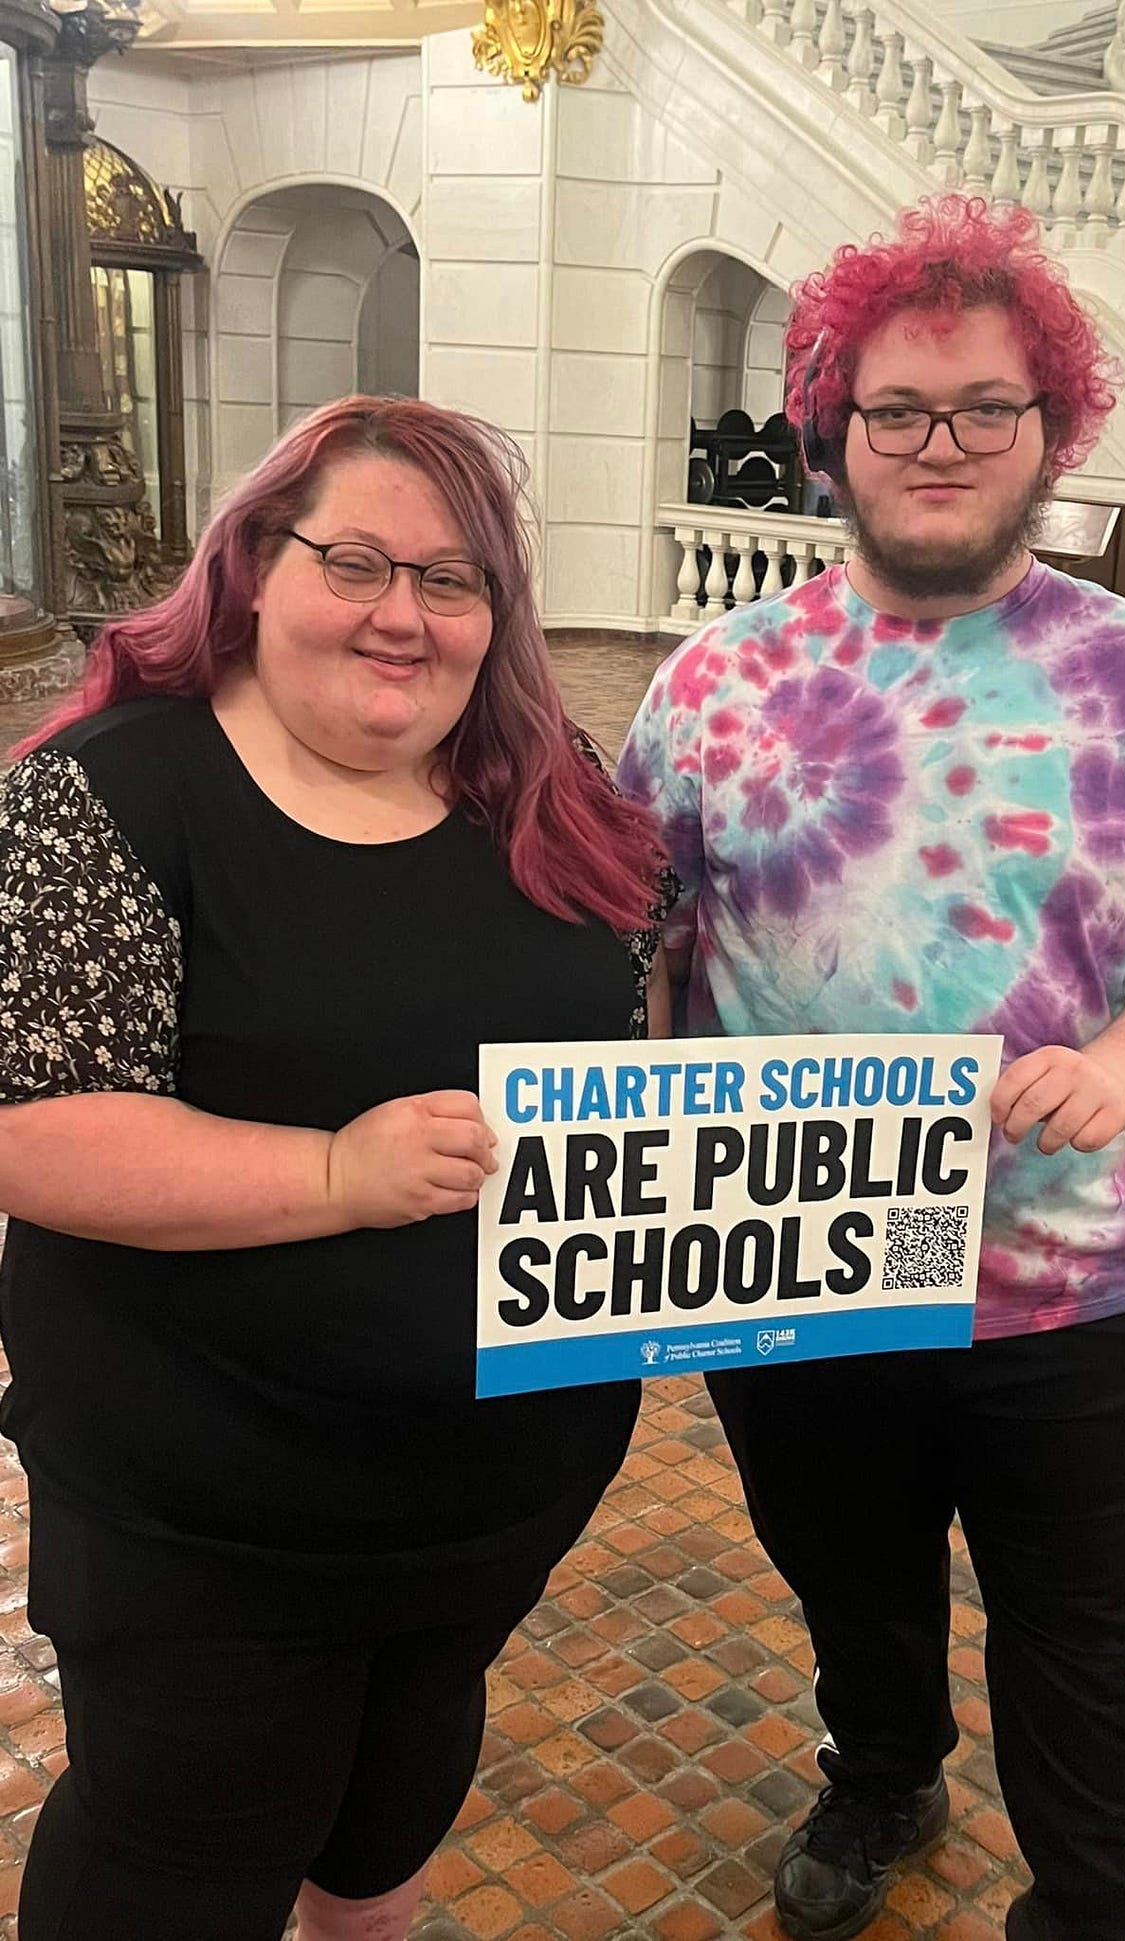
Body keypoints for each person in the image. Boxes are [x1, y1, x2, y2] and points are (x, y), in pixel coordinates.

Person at [618, 195, 1125, 1941]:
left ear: (1049, 429)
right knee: (852, 1584)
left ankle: (1098, 1904)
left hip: (1097, 1279)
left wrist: (1122, 1070)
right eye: (898, 409)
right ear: (829, 430)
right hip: (805, 1263)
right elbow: (639, 950)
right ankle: (884, 1770)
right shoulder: (711, 685)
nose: (941, 443)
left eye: (986, 407)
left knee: (1087, 1632)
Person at [0, 396, 671, 1941]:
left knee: (387, 1820)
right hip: (208, 1524)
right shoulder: (111, 792)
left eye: (451, 580)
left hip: (491, 1500)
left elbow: (628, 1045)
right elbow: (30, 1127)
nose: (401, 615)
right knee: (175, 1857)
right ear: (252, 566)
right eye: (355, 562)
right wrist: (335, 1174)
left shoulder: (546, 782)